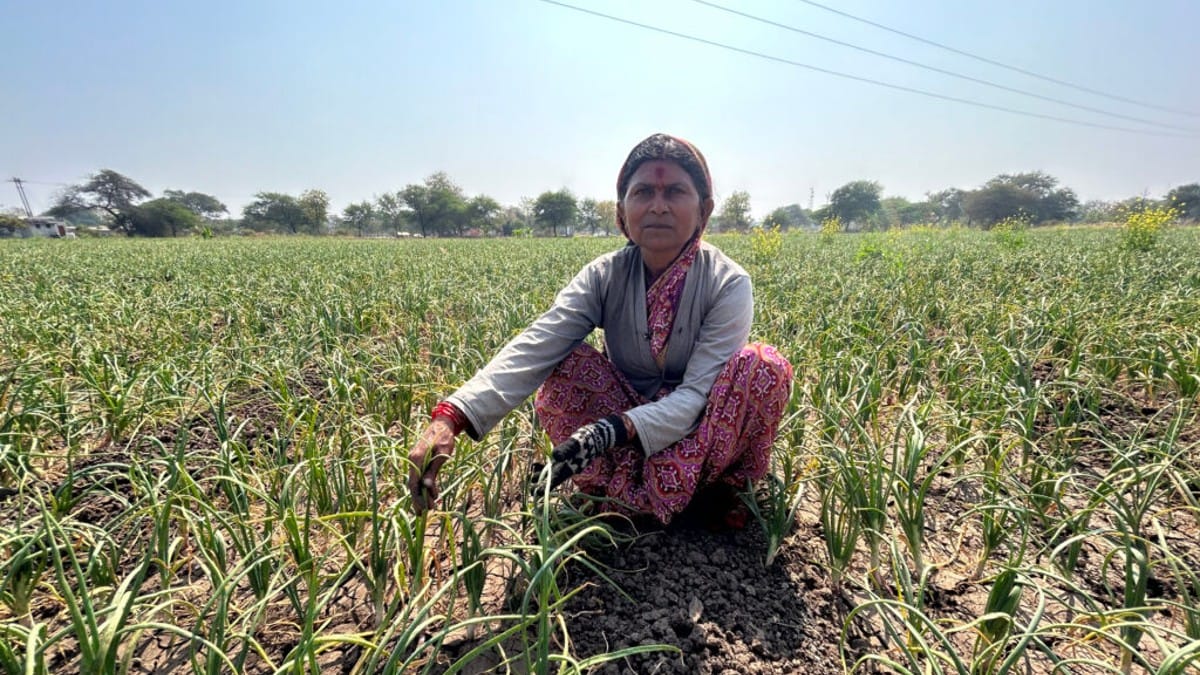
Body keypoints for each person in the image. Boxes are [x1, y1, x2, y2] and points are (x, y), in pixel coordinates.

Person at [406, 133, 793, 526]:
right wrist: (450, 418)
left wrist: (608, 432)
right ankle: (629, 492)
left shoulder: (727, 282)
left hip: (700, 425)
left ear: (704, 209)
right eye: (643, 192)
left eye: (675, 191)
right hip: (625, 421)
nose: (658, 206)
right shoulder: (604, 276)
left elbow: (696, 395)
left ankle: (715, 490)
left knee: (763, 366)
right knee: (563, 364)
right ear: (622, 212)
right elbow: (540, 344)